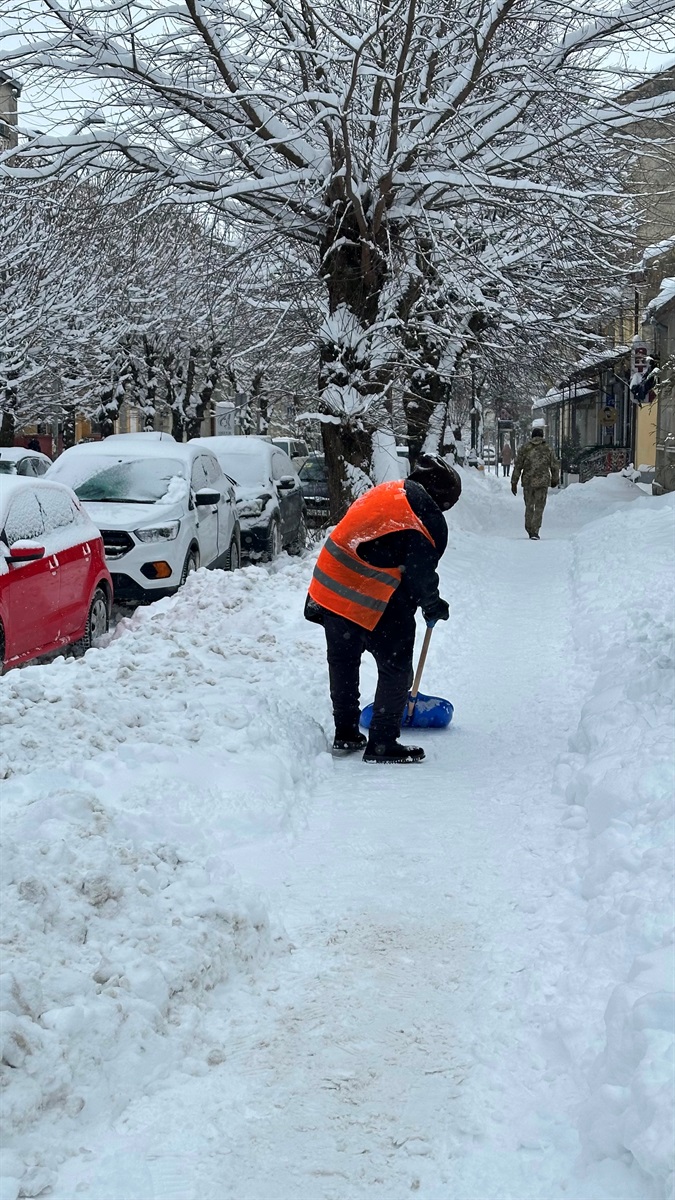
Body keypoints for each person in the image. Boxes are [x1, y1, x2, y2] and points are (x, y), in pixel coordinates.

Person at [305, 455, 462, 764]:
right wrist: (432, 605)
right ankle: (382, 741)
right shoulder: (423, 516)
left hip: (328, 590)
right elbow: (419, 571)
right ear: (442, 499)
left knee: (344, 661)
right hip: (365, 594)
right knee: (396, 663)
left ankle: (346, 732)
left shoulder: (390, 493)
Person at [511, 419, 560, 539]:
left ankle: (529, 528)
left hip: (528, 482)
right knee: (539, 507)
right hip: (543, 482)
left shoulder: (525, 448)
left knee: (529, 506)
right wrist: (555, 479)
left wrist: (514, 482)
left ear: (532, 436)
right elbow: (554, 465)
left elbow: (518, 466)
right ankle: (535, 530)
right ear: (542, 436)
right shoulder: (548, 448)